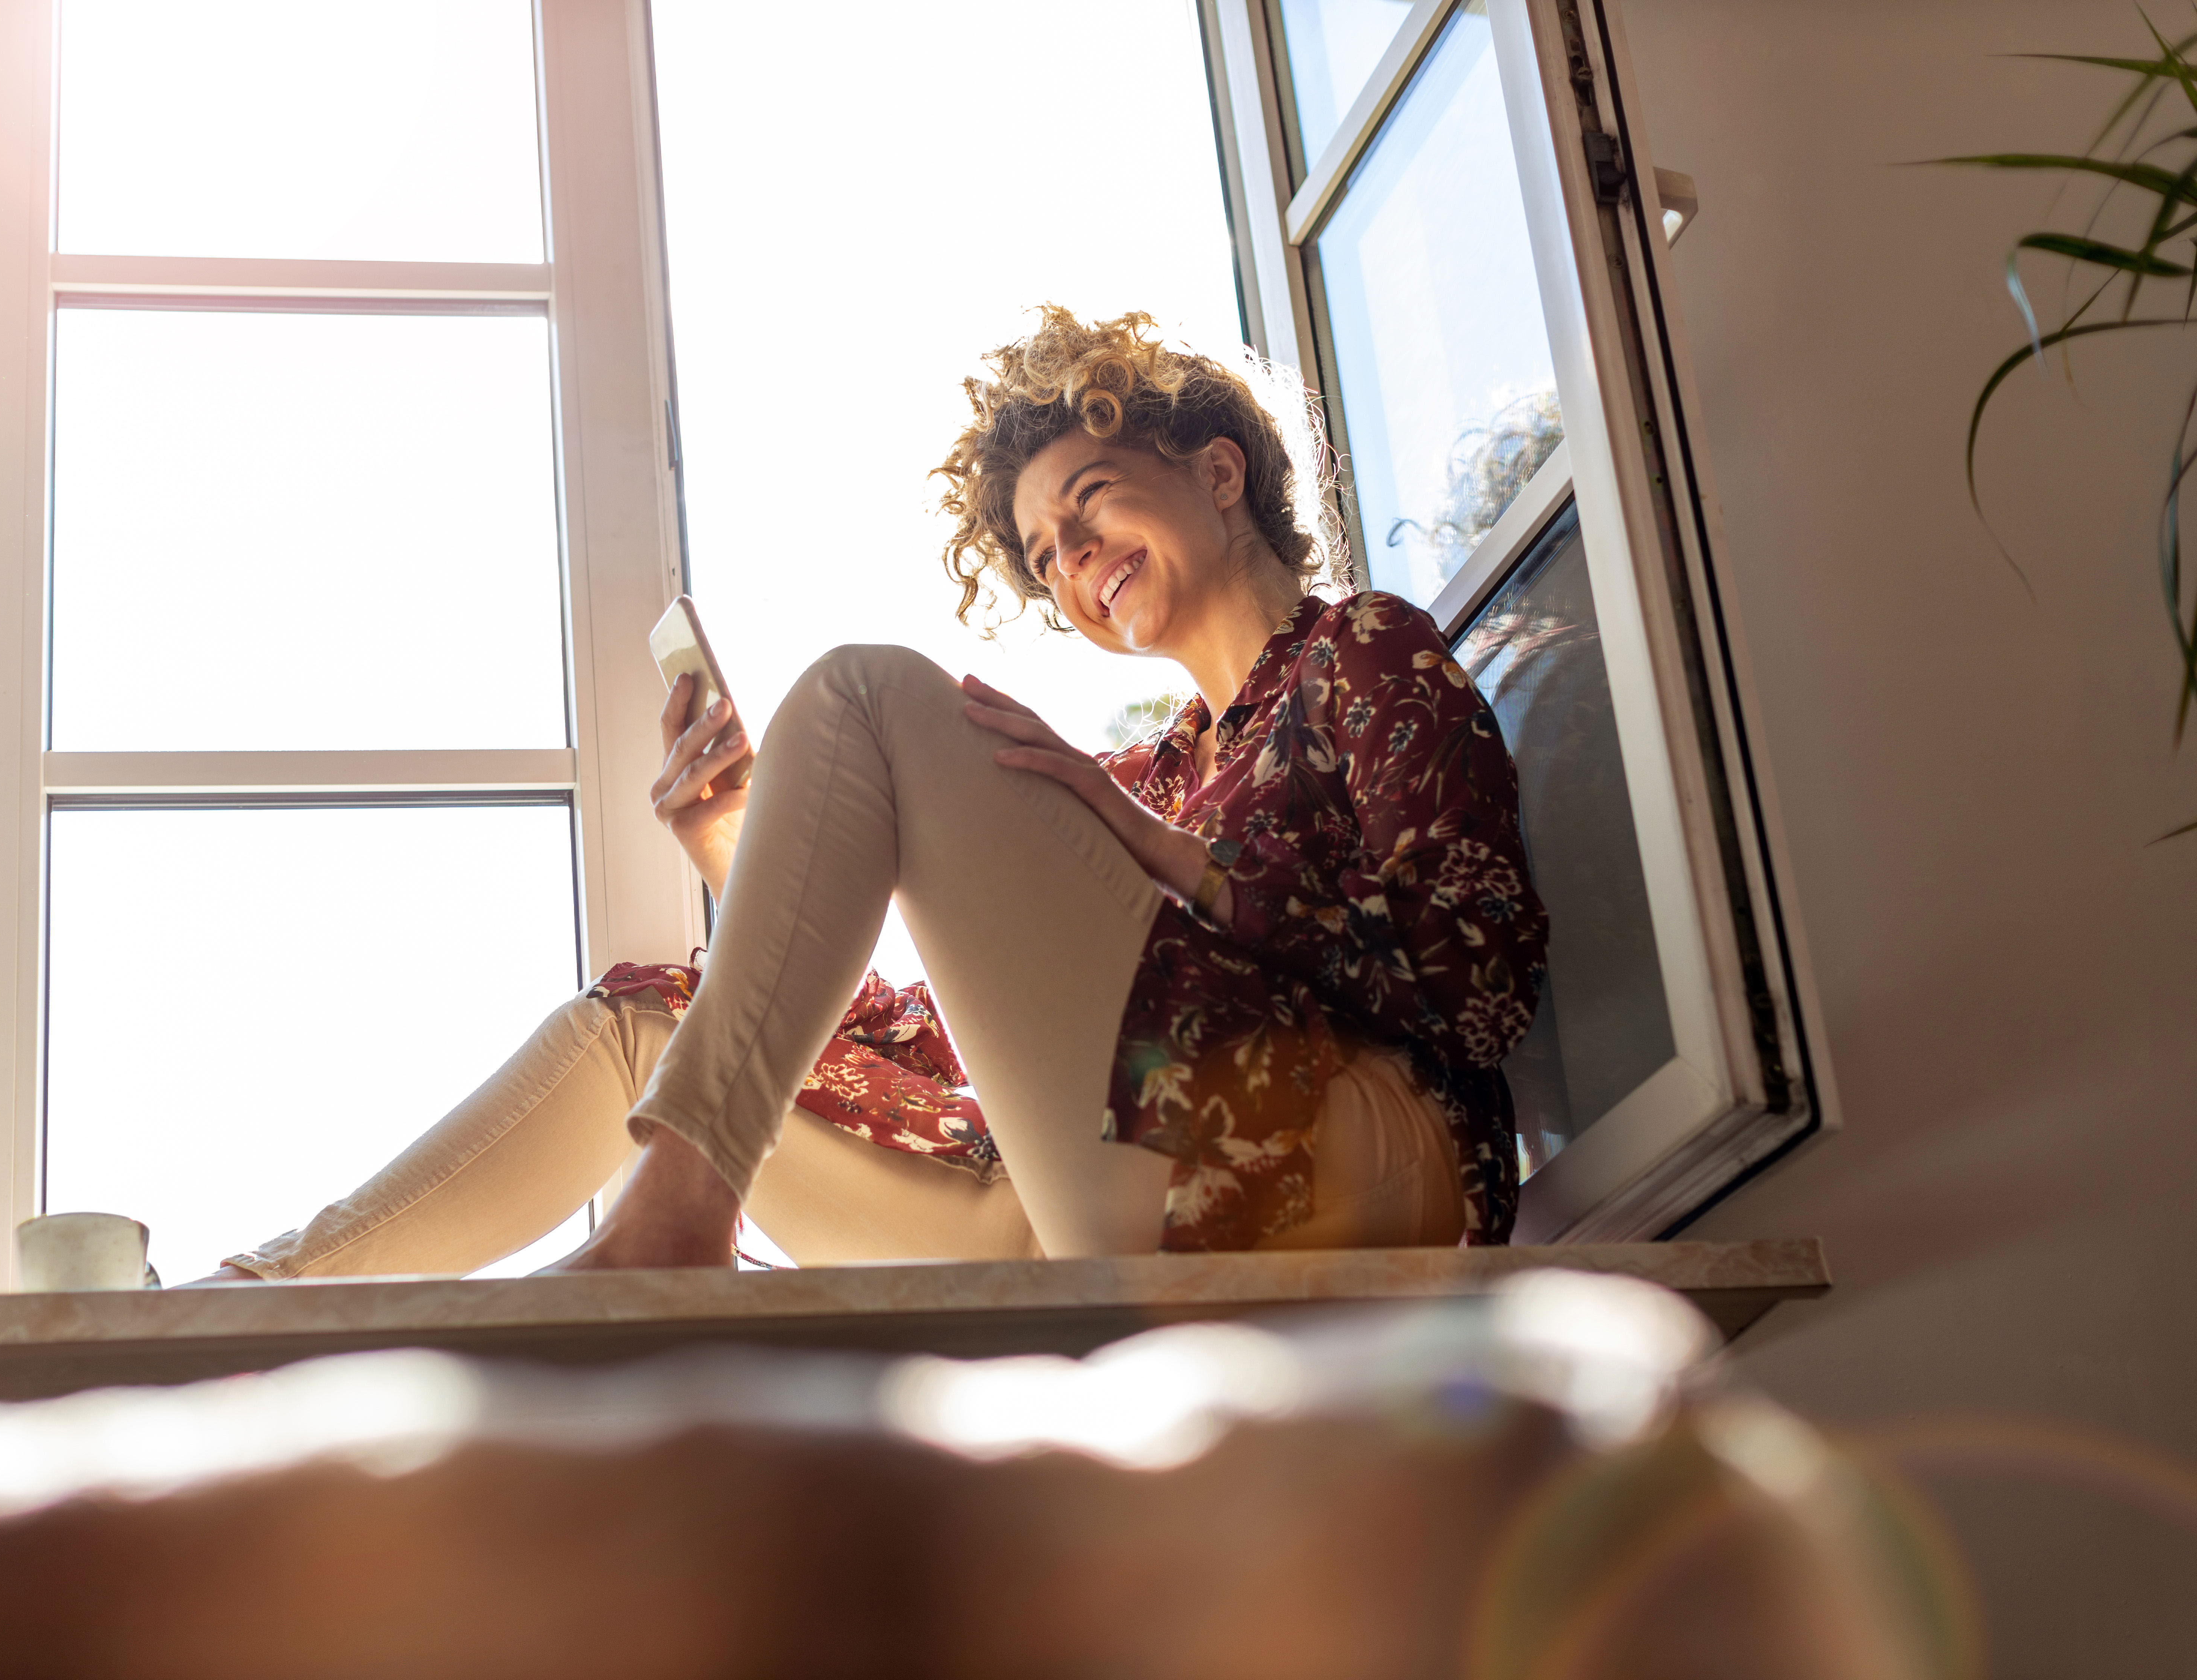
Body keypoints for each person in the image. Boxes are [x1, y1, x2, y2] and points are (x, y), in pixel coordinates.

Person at [191, 307, 1547, 1285]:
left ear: (1218, 471)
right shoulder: (1152, 769)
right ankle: (243, 1320)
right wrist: (740, 856)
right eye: (1043, 554)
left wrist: (1158, 849)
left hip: (1372, 1166)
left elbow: (1477, 986)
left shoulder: (1363, 651)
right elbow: (960, 1052)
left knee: (863, 697)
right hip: (1138, 1191)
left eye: (1089, 505)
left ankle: (675, 1220)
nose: (1073, 559)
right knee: (652, 1036)